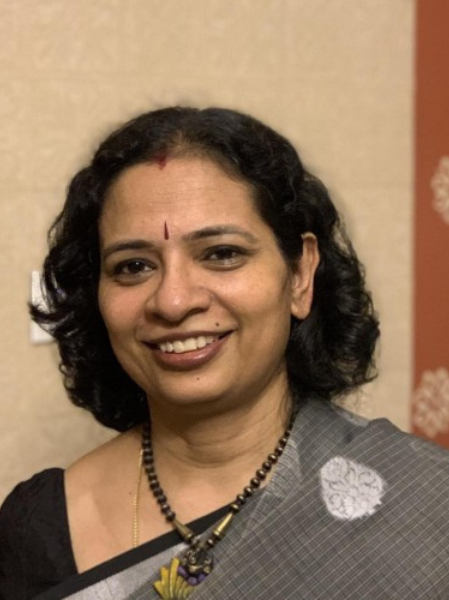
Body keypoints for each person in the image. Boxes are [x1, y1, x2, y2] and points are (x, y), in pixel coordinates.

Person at [1, 107, 449, 600]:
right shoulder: (41, 526)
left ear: (300, 276)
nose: (173, 301)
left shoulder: (427, 506)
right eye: (133, 266)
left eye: (221, 254)